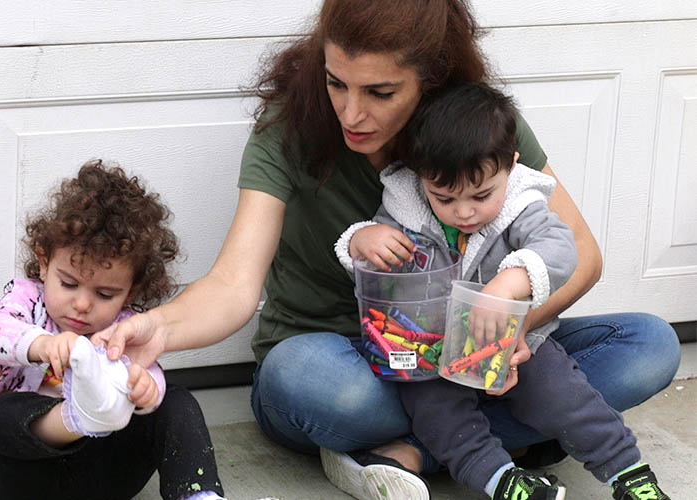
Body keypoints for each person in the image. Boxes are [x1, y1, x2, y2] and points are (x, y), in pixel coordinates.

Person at [91, 1, 681, 499]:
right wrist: (160, 327)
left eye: (380, 91)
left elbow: (580, 250)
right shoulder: (288, 128)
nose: (351, 112)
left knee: (649, 346)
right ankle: (511, 438)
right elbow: (234, 283)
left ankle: (413, 452)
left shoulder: (478, 130)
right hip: (347, 361)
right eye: (335, 82)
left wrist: (504, 332)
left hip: (474, 354)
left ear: (432, 78)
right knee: (310, 383)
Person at [336, 81, 671, 500]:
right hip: (432, 353)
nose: (464, 212)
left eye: (481, 195)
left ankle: (627, 471)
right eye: (444, 197)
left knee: (563, 396)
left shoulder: (520, 204)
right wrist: (361, 240)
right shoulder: (405, 206)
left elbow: (560, 247)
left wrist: (511, 282)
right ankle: (503, 480)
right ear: (420, 177)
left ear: (510, 167)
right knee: (438, 413)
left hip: (515, 343)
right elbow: (379, 277)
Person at [0, 160, 225, 500]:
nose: (83, 304)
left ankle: (198, 495)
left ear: (130, 291)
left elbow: (149, 374)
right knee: (1, 414)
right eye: (68, 283)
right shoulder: (27, 300)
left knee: (175, 401)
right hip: (27, 476)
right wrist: (40, 344)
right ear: (44, 263)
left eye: (105, 294)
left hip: (103, 476)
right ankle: (79, 417)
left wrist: (147, 392)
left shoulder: (123, 328)